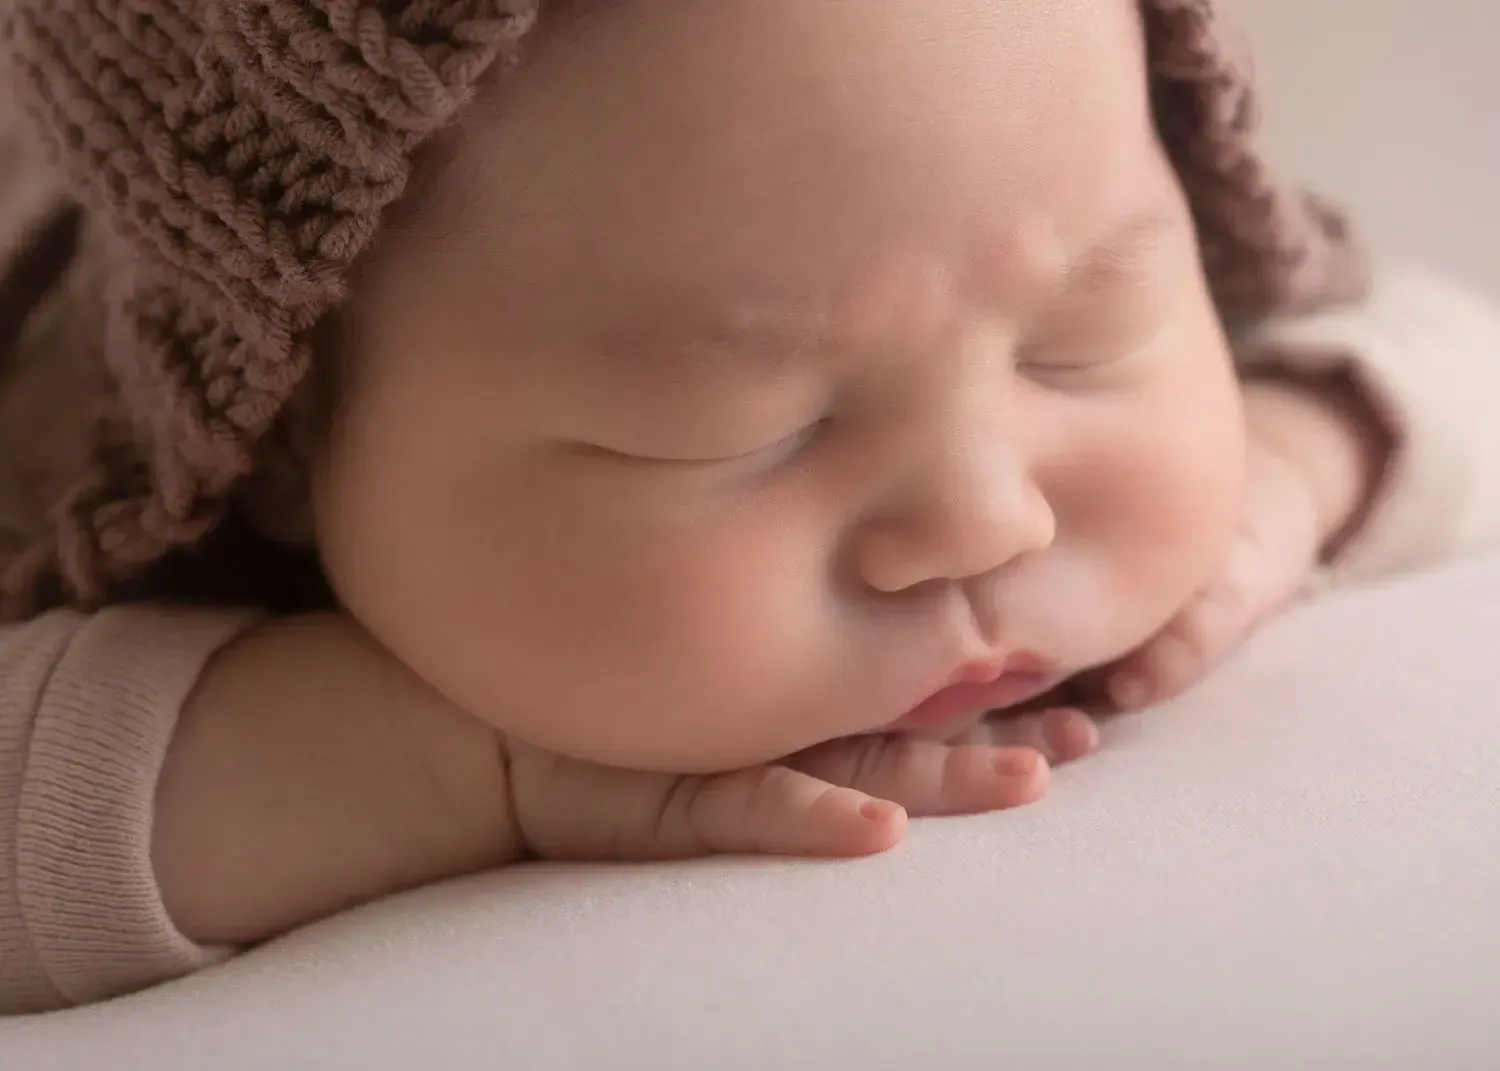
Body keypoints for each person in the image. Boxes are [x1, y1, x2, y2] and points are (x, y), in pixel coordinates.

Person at [2, 0, 1498, 1015]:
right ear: (272, 430)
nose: (989, 520)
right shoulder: (109, 481)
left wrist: (1297, 466)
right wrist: (445, 762)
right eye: (733, 430)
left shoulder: (953, 186)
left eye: (1085, 335)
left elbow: (1456, 349)